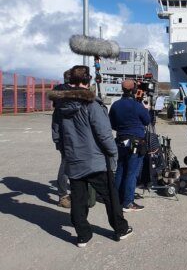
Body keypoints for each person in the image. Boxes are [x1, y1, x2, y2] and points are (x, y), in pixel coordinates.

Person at [49, 65, 131, 247]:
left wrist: (65, 151)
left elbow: (56, 134)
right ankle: (120, 229)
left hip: (74, 159)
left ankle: (83, 235)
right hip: (95, 160)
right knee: (110, 197)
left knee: (78, 199)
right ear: (88, 81)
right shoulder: (92, 104)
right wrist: (113, 153)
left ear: (70, 81)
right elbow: (104, 133)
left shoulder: (60, 106)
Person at [109, 79, 151, 212]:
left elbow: (112, 124)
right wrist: (147, 109)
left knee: (121, 169)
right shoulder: (137, 106)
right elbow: (147, 120)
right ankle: (128, 202)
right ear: (134, 90)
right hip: (136, 141)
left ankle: (116, 199)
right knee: (131, 173)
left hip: (121, 140)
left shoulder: (116, 105)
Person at [51, 69, 72, 208]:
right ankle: (63, 196)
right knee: (66, 164)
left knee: (66, 163)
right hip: (67, 135)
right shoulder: (70, 94)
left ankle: (64, 194)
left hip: (59, 133)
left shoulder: (58, 92)